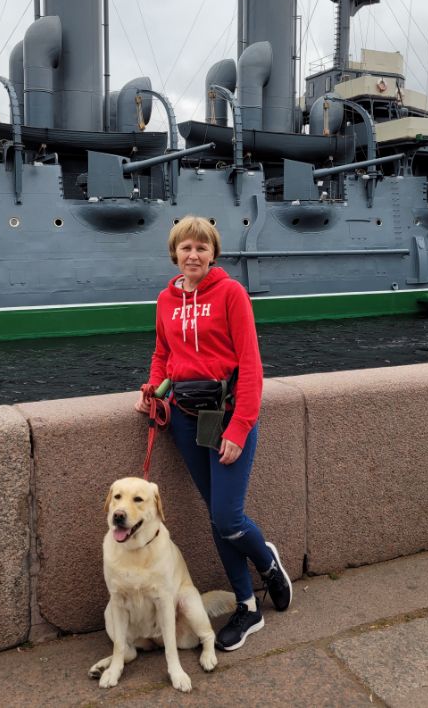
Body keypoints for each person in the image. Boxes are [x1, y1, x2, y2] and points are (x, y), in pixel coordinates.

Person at [135, 215, 292, 651]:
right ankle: (247, 606)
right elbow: (163, 354)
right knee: (216, 519)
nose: (193, 255)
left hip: (226, 415)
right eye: (186, 247)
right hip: (185, 418)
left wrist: (240, 427)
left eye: (201, 248)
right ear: (175, 253)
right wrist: (153, 391)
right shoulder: (165, 300)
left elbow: (251, 365)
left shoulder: (231, 293)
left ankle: (268, 564)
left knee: (227, 517)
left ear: (213, 254)